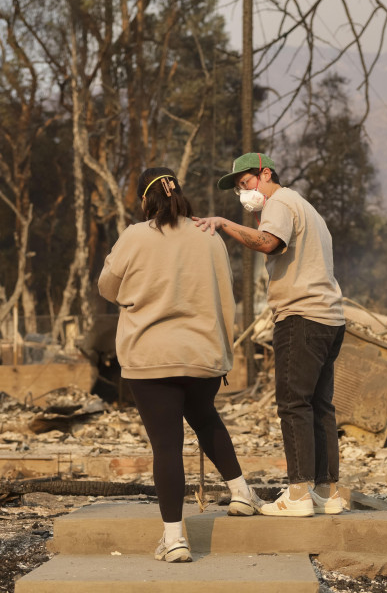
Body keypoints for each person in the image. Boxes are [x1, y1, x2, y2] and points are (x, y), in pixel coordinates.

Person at [98, 167, 263, 563]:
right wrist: (223, 353)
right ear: (180, 194)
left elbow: (107, 286)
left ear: (145, 200)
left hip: (150, 356)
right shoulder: (209, 236)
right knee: (205, 419)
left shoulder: (136, 235)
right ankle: (241, 493)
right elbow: (227, 295)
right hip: (203, 352)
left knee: (167, 446)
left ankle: (174, 539)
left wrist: (136, 296)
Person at [194, 152, 346, 517]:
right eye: (237, 190)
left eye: (245, 184)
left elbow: (267, 242)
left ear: (265, 174)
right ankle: (327, 492)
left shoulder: (279, 203)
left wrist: (223, 223)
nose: (243, 193)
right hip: (331, 318)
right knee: (320, 408)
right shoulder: (307, 208)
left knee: (293, 405)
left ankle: (297, 496)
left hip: (301, 316)